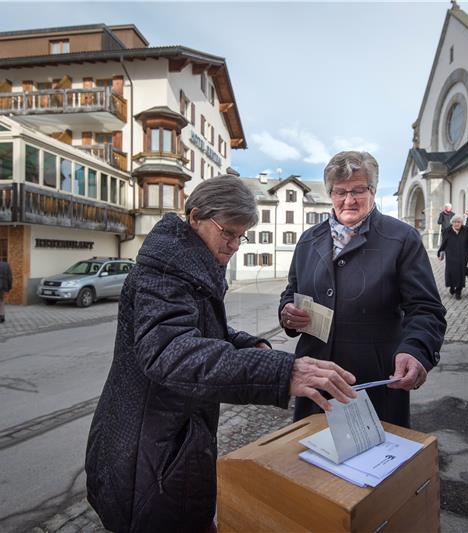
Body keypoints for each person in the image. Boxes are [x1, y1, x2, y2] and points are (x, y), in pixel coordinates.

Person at [85, 176, 357, 533]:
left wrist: (247, 345)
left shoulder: (190, 262)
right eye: (228, 232)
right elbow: (170, 351)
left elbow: (200, 330)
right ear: (196, 217)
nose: (234, 245)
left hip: (166, 444)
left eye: (241, 236)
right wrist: (280, 372)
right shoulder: (166, 271)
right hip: (148, 454)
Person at [278, 151, 446, 428]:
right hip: (316, 378)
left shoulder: (401, 239)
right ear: (330, 193)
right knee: (311, 464)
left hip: (373, 380)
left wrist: (416, 350)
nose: (348, 200)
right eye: (340, 191)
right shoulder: (309, 240)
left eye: (358, 190)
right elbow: (292, 290)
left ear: (373, 191)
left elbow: (426, 309)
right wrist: (287, 313)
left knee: (374, 465)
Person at [437, 214, 468, 300]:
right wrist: (439, 253)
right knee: (451, 272)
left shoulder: (466, 229)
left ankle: (458, 291)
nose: (457, 224)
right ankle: (452, 286)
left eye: (459, 222)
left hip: (463, 255)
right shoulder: (446, 231)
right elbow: (443, 243)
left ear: (461, 223)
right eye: (455, 222)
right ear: (452, 223)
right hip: (451, 255)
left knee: (461, 272)